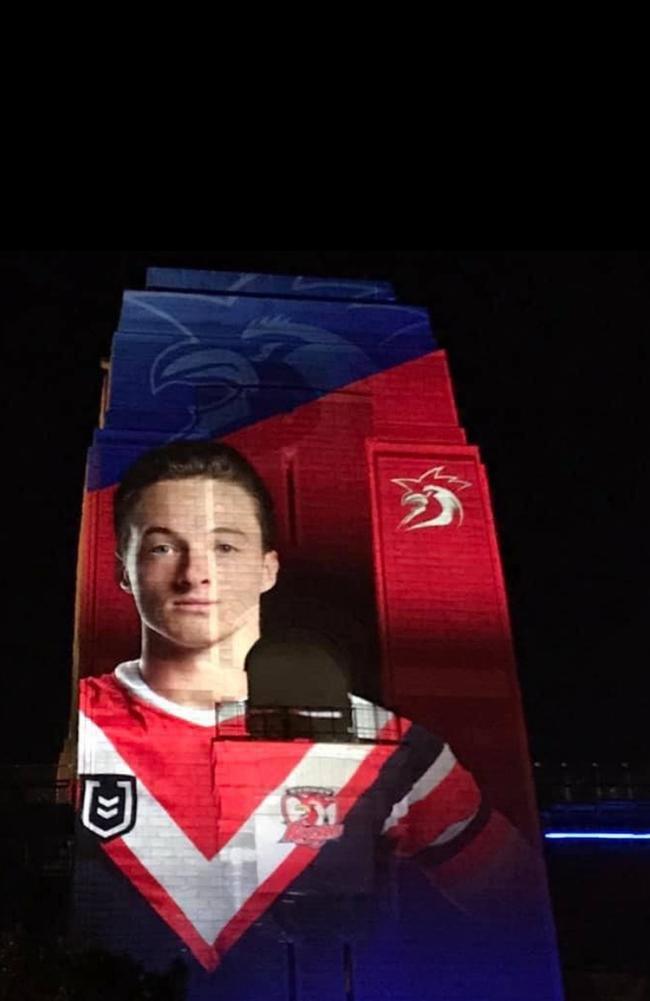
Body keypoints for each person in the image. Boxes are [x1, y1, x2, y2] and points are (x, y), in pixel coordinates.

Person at [75, 442, 546, 993]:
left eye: (225, 547)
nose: (195, 573)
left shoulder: (391, 747)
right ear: (123, 570)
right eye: (161, 548)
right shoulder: (83, 724)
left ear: (267, 568)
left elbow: (520, 911)